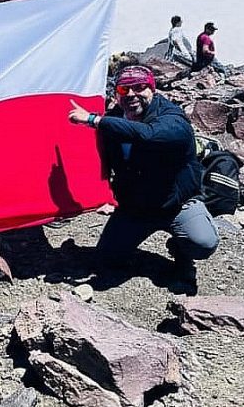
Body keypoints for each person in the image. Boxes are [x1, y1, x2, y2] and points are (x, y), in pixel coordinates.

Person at [68, 65, 219, 285]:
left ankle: (182, 250)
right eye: (124, 89)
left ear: (152, 89)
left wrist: (94, 120)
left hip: (177, 204)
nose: (131, 94)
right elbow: (99, 160)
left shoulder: (172, 118)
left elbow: (150, 135)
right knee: (106, 260)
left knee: (203, 243)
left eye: (139, 87)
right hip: (136, 207)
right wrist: (102, 196)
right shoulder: (114, 119)